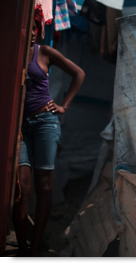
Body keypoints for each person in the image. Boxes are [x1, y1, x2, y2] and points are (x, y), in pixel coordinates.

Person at [12, 18, 85, 257]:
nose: (33, 33)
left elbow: (79, 73)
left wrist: (64, 105)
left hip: (45, 123)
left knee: (45, 185)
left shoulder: (43, 51)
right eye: (29, 28)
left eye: (36, 29)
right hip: (20, 127)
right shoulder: (12, 52)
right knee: (22, 188)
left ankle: (34, 248)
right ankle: (22, 246)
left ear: (38, 31)